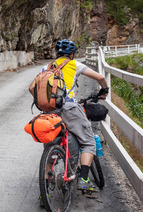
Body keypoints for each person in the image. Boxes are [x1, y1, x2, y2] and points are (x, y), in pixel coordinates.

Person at [44, 39, 108, 192]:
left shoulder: (46, 67)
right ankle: (84, 179)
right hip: (68, 107)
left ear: (57, 54)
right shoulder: (74, 64)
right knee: (88, 142)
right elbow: (100, 78)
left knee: (51, 146)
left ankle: (45, 189)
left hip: (48, 111)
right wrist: (104, 90)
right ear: (71, 54)